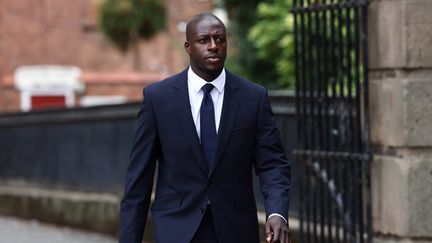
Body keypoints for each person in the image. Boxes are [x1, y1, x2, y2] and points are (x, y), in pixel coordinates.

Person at [119, 12, 291, 243]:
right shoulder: (157, 99)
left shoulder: (253, 98)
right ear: (188, 47)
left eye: (220, 39)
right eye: (204, 40)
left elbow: (273, 164)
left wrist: (277, 212)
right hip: (176, 228)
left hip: (236, 228)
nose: (213, 46)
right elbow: (138, 181)